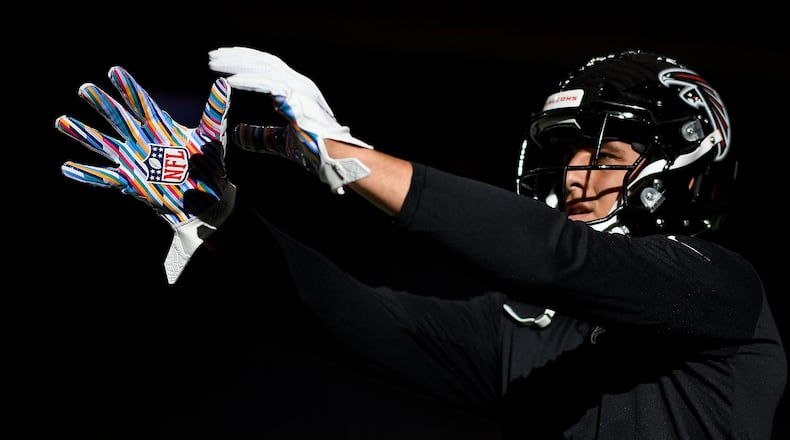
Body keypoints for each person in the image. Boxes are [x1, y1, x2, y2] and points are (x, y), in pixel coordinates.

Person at [55, 47, 786, 439]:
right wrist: (223, 222)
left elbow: (556, 258)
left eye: (603, 156)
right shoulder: (531, 335)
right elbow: (363, 323)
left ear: (681, 171)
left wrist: (345, 155)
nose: (574, 178)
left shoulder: (720, 289)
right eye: (565, 156)